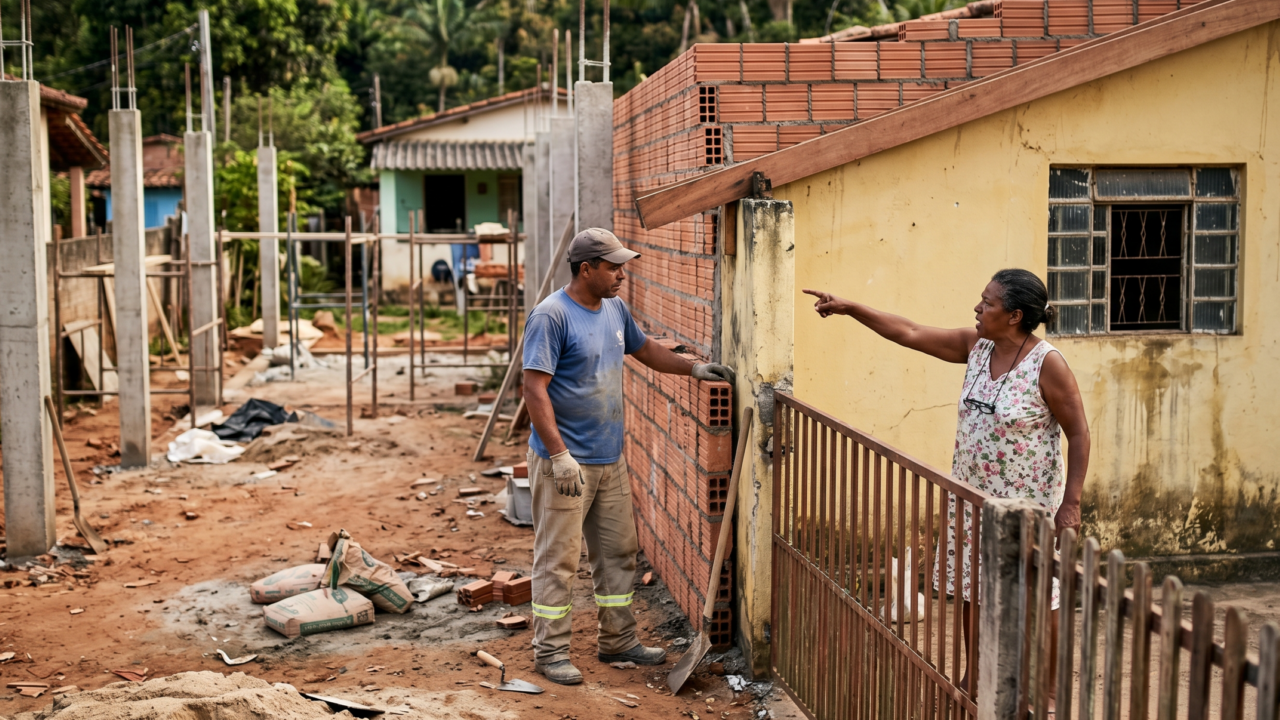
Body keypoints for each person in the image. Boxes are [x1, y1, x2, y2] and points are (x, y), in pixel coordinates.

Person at [802, 268, 1089, 698]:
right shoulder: (976, 347)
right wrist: (851, 308)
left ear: (1013, 315)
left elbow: (1079, 433)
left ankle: (1046, 693)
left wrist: (1072, 504)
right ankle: (975, 680)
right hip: (972, 499)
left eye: (987, 302)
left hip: (1028, 505)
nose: (977, 307)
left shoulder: (1047, 364)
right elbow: (911, 332)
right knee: (971, 586)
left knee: (1038, 593)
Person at [522, 228, 736, 686]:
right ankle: (551, 651)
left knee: (618, 553)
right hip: (565, 463)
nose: (622, 274)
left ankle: (618, 641)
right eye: (613, 266)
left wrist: (694, 368)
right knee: (558, 558)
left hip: (608, 458)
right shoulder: (551, 317)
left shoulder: (615, 309)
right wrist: (559, 455)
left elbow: (646, 350)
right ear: (586, 269)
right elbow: (533, 389)